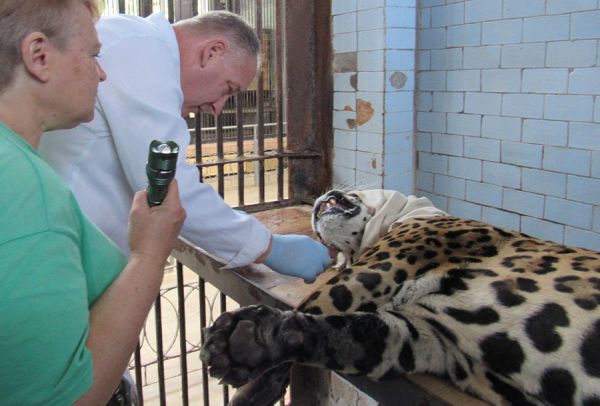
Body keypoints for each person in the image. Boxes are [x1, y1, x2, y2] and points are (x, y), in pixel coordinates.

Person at [38, 10, 332, 283]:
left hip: (79, 255)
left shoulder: (144, 53)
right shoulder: (140, 49)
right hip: (61, 261)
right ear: (212, 52)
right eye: (228, 90)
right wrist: (269, 246)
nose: (219, 108)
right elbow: (168, 187)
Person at [0, 1, 186, 405]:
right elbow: (69, 400)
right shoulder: (25, 191)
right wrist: (149, 253)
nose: (101, 73)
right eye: (93, 55)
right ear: (39, 56)